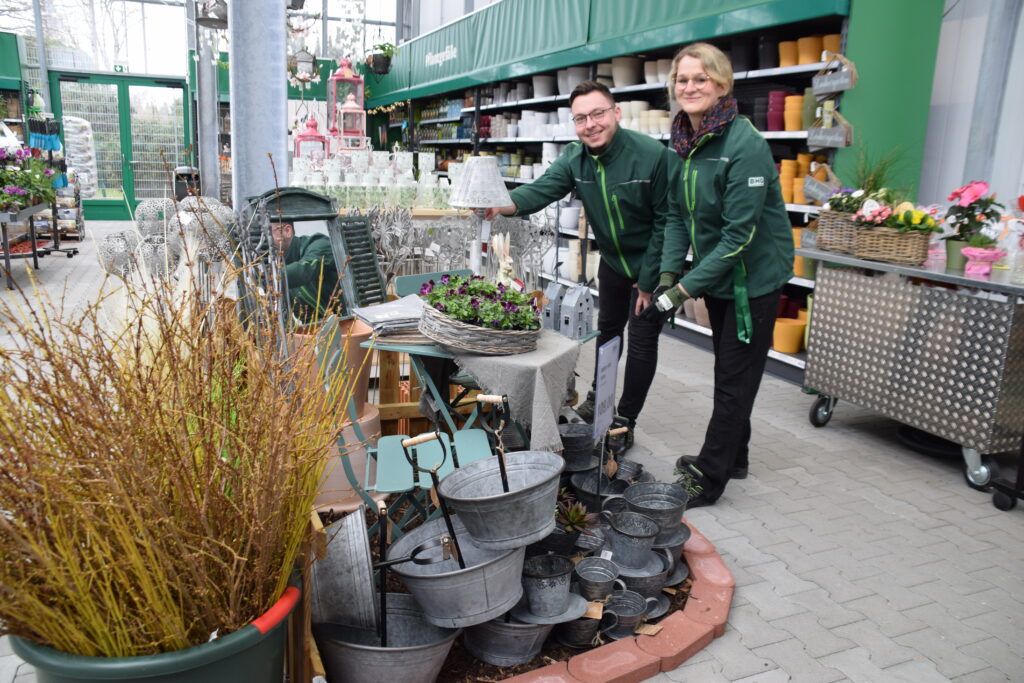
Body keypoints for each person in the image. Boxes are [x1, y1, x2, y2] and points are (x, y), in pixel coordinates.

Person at [485, 81, 677, 455]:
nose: (591, 124)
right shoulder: (576, 158)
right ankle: (599, 398)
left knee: (641, 342)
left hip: (650, 264)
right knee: (608, 334)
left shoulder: (652, 155)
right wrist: (499, 205)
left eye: (598, 114)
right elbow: (539, 192)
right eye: (581, 118)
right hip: (613, 262)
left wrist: (650, 282)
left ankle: (625, 420)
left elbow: (667, 222)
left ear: (615, 113)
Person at [641, 42, 794, 507]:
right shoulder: (683, 142)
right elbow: (675, 216)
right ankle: (736, 456)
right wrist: (668, 276)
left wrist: (684, 290)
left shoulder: (743, 145)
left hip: (754, 278)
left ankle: (707, 479)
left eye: (700, 79)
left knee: (733, 377)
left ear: (722, 84)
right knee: (731, 371)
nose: (690, 87)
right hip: (719, 275)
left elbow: (738, 238)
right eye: (682, 80)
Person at [270, 221, 339, 323]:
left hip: (351, 322)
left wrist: (270, 277)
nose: (263, 240)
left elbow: (306, 269)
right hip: (322, 331)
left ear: (287, 231)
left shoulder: (319, 244)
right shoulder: (281, 265)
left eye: (267, 232)